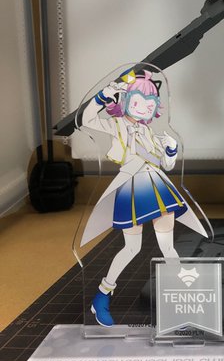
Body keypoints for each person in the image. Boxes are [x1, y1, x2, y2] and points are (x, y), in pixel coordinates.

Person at [79, 69, 206, 327]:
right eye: (138, 101)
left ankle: (180, 299)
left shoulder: (149, 133)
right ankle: (102, 295)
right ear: (126, 100)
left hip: (157, 187)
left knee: (168, 247)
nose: (144, 107)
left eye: (150, 104)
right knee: (132, 248)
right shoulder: (116, 125)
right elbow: (85, 119)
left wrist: (171, 149)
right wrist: (104, 95)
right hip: (131, 187)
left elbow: (166, 165)